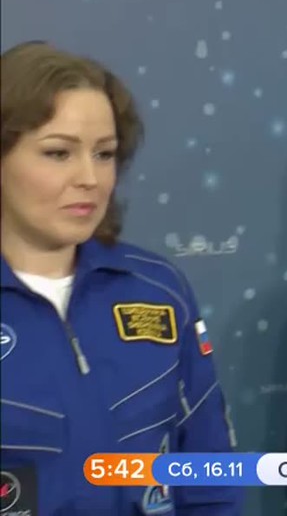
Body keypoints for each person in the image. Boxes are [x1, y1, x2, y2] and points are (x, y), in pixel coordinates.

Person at [0, 41, 243, 515]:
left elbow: (210, 473)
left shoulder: (157, 290)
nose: (89, 178)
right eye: (58, 153)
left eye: (104, 154)